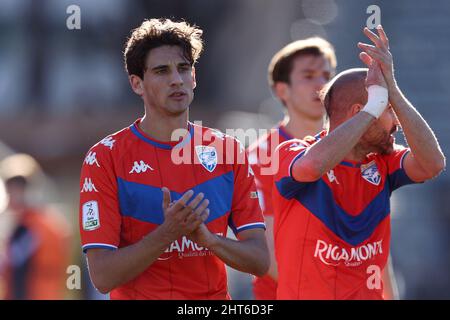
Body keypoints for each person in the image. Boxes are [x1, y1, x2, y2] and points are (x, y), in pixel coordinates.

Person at [79, 18, 269, 300]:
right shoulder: (105, 157)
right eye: (161, 71)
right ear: (137, 84)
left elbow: (260, 261)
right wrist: (168, 233)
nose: (176, 80)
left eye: (183, 69)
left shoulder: (228, 150)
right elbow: (103, 277)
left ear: (194, 77)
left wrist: (209, 240)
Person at [272, 25, 445, 299]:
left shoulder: (383, 162)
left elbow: (433, 163)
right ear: (361, 112)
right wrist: (372, 108)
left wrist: (394, 92)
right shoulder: (292, 151)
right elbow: (311, 168)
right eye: (387, 109)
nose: (396, 121)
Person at [247, 37, 336, 300]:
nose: (321, 84)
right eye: (308, 76)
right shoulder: (261, 157)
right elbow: (267, 252)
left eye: (327, 75)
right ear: (281, 90)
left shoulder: (351, 146)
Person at [0, 153, 70, 300]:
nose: (13, 193)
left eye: (18, 187)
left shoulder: (46, 227)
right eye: (10, 187)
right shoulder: (20, 227)